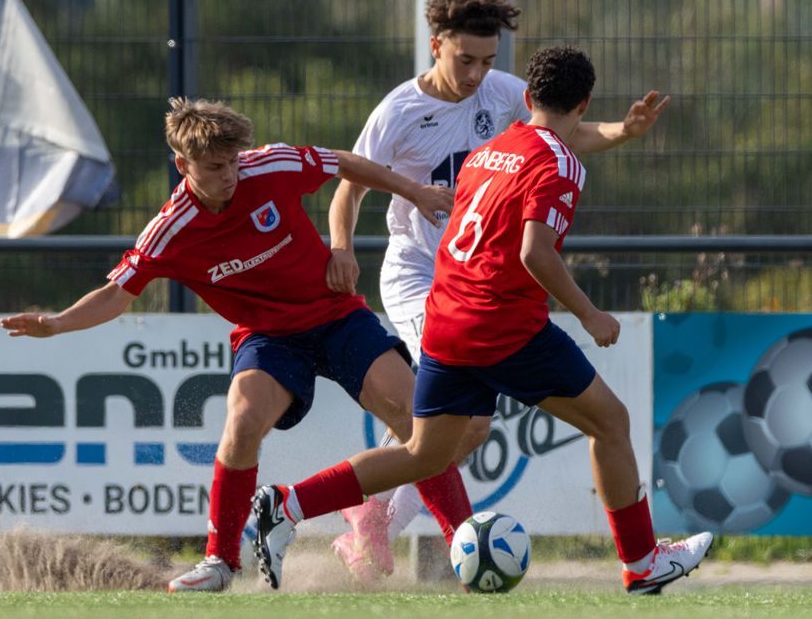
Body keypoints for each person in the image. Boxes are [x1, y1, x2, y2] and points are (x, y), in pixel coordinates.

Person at [251, 46, 713, 596]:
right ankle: (641, 563)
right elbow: (535, 253)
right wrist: (590, 315)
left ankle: (287, 504)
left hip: (447, 320)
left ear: (529, 96)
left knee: (425, 453)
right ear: (585, 102)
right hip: (504, 327)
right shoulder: (560, 164)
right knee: (609, 423)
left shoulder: (491, 150)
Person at [0, 97, 474, 593]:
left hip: (336, 315)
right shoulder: (171, 228)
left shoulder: (267, 165)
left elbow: (343, 162)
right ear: (183, 166)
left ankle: (464, 549)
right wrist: (57, 323)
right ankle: (220, 562)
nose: (230, 175)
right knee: (242, 422)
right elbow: (117, 294)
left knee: (418, 420)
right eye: (215, 167)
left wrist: (413, 192)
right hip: (269, 338)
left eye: (233, 162)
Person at [326, 0, 671, 582]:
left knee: (460, 432)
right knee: (451, 424)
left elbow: (565, 131)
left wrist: (624, 131)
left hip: (478, 280)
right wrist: (341, 246)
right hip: (418, 277)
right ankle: (387, 521)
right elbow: (350, 188)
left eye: (487, 62)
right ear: (437, 45)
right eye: (465, 60)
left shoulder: (504, 91)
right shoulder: (399, 111)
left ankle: (369, 513)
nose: (476, 74)